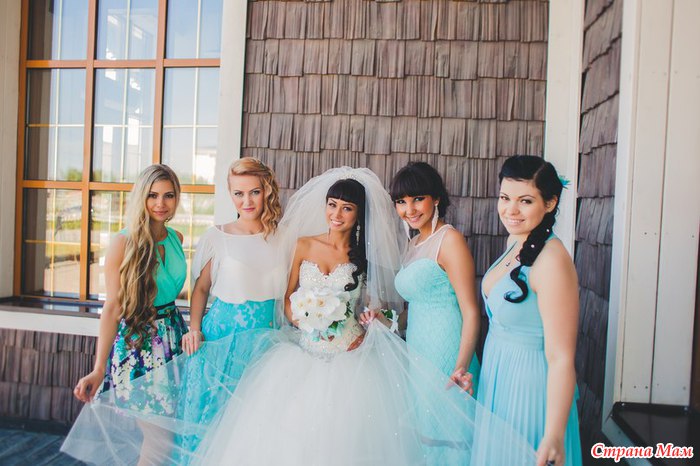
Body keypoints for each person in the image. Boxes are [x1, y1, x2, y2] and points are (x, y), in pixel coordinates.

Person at [64, 164, 187, 464]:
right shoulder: (123, 242)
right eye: (153, 195)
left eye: (168, 195)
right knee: (159, 440)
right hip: (139, 345)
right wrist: (98, 368)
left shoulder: (177, 238)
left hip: (174, 341)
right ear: (141, 197)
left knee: (171, 438)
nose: (161, 203)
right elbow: (112, 308)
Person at [477, 155, 582, 466]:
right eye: (505, 198)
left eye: (525, 201)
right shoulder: (518, 240)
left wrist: (554, 434)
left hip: (529, 386)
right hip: (498, 374)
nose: (511, 210)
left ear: (549, 203)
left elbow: (561, 357)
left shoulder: (551, 261)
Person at [177, 157, 287, 452]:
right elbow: (201, 288)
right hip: (223, 340)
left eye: (254, 192)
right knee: (216, 424)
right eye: (239, 193)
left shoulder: (284, 238)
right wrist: (194, 329)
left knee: (256, 428)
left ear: (267, 191)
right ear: (230, 194)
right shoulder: (217, 236)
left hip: (268, 341)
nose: (246, 201)